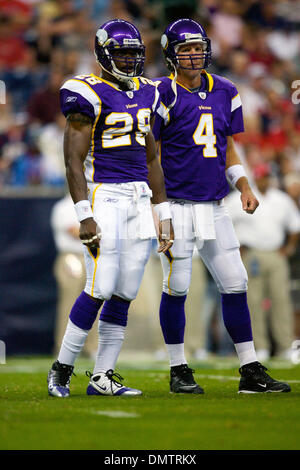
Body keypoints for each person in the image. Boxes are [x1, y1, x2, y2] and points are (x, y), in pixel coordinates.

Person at [152, 18, 291, 394]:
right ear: (171, 54)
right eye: (186, 49)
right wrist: (158, 206)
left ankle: (249, 369)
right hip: (177, 206)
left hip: (214, 204)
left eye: (198, 47)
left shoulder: (226, 89)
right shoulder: (161, 93)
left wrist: (244, 185)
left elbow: (228, 149)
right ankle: (178, 367)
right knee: (177, 286)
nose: (194, 55)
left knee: (236, 282)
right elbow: (153, 153)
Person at [47, 19, 174, 398]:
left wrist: (162, 212)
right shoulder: (85, 91)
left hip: (138, 198)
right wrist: (83, 212)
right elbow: (72, 160)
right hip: (106, 195)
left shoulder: (149, 92)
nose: (129, 60)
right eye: (121, 53)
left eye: (134, 54)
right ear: (103, 54)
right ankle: (62, 369)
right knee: (99, 285)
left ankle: (103, 375)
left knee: (125, 290)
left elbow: (153, 159)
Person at [226, 163, 300, 361]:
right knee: (254, 302)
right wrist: (236, 249)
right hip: (251, 254)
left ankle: (285, 346)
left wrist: (289, 248)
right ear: (254, 178)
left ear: (270, 178)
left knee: (281, 301)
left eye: (266, 177)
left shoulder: (281, 199)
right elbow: (225, 223)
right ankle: (260, 347)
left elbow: (295, 225)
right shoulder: (238, 199)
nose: (264, 180)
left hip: (276, 254)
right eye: (260, 177)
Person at [50, 193, 98, 359]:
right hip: (72, 257)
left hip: (91, 256)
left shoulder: (93, 204)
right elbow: (76, 232)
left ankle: (91, 347)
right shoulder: (63, 207)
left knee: (93, 302)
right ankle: (64, 347)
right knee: (70, 302)